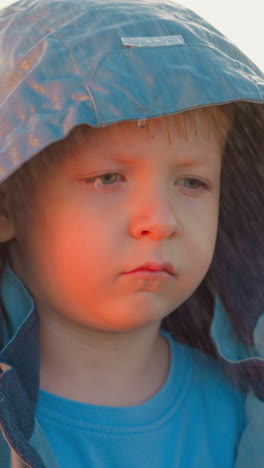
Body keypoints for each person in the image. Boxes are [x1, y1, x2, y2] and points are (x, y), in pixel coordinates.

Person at [0, 0, 264, 467]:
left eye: (192, 182)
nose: (161, 220)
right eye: (108, 178)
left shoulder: (246, 413)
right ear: (6, 205)